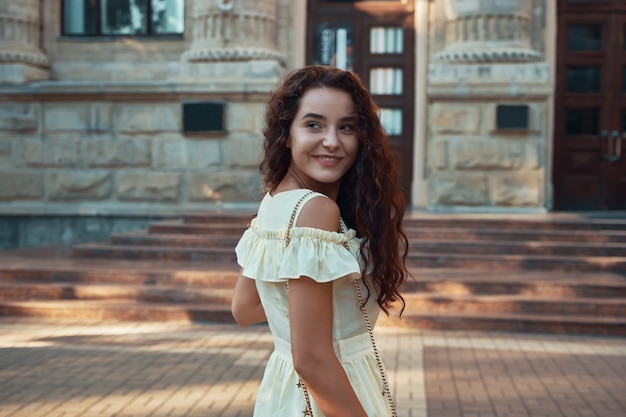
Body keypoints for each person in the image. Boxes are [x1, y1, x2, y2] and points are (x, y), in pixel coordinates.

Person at [231, 65, 409, 417]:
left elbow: (244, 308)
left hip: (286, 394)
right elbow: (311, 359)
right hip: (331, 396)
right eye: (314, 125)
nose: (332, 141)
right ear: (287, 133)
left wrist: (297, 317)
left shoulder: (275, 203)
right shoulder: (316, 210)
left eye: (346, 127)